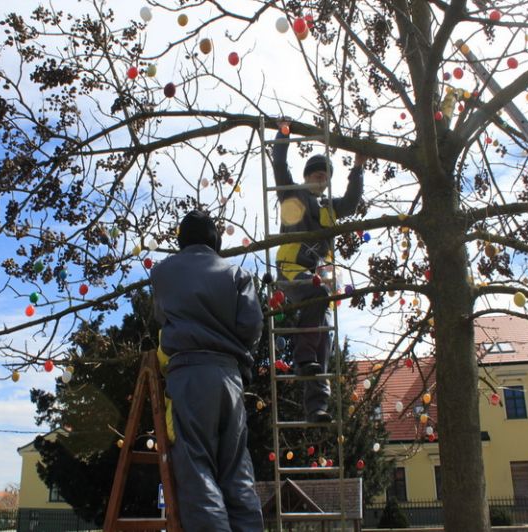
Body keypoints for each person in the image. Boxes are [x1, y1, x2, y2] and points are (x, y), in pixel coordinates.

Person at [150, 210, 264, 532]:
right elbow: (252, 326)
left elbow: (162, 318)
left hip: (188, 376)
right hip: (230, 378)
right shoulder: (238, 274)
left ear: (181, 241)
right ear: (215, 242)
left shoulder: (162, 273)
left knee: (197, 469)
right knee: (237, 470)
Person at [272, 121, 367, 423]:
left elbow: (351, 203)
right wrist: (283, 135)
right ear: (307, 176)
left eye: (325, 177)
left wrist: (358, 169)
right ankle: (302, 357)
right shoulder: (292, 194)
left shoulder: (329, 207)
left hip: (318, 276)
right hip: (291, 268)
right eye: (317, 174)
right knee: (318, 292)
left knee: (324, 334)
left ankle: (317, 406)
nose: (321, 180)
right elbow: (279, 165)